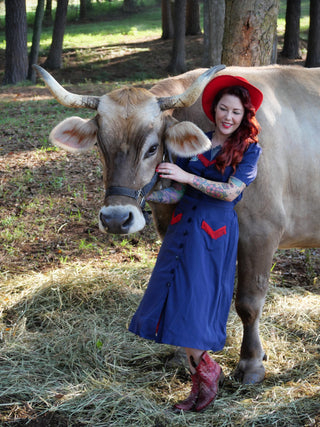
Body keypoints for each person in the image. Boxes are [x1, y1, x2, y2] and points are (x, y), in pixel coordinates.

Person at [129, 75, 263, 412]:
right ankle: (198, 383)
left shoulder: (250, 150)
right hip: (183, 227)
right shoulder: (198, 141)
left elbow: (231, 191)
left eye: (235, 111)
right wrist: (139, 196)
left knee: (195, 304)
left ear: (244, 115)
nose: (228, 117)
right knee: (177, 301)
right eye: (223, 109)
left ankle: (207, 377)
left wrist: (187, 176)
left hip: (213, 233)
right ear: (213, 110)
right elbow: (177, 192)